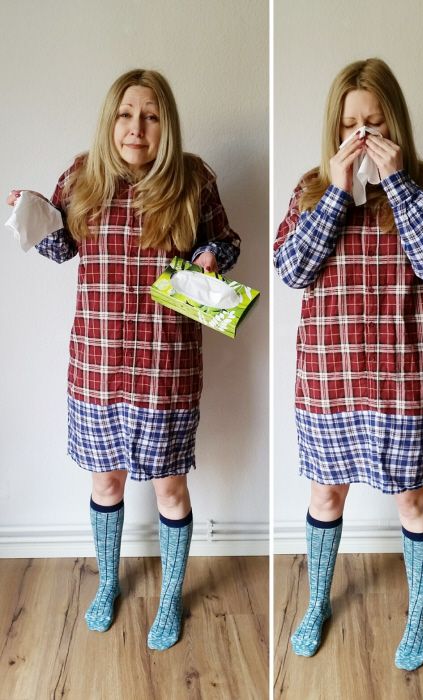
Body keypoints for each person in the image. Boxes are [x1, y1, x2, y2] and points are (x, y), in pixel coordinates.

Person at [6, 69, 241, 650]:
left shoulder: (192, 179)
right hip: (98, 362)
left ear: (167, 124)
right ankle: (108, 581)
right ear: (111, 119)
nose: (137, 127)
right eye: (127, 114)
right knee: (106, 479)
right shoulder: (83, 176)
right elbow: (63, 247)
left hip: (167, 364)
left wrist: (211, 255)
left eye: (152, 115)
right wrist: (32, 213)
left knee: (168, 488)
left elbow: (227, 242)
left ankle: (170, 598)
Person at [274, 58, 423, 670]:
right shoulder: (310, 186)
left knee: (411, 500)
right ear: (335, 129)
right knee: (326, 494)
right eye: (350, 124)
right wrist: (335, 192)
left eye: (374, 122)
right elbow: (292, 270)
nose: (361, 136)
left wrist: (398, 183)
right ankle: (317, 601)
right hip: (329, 379)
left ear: (395, 125)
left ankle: (418, 612)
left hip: (402, 379)